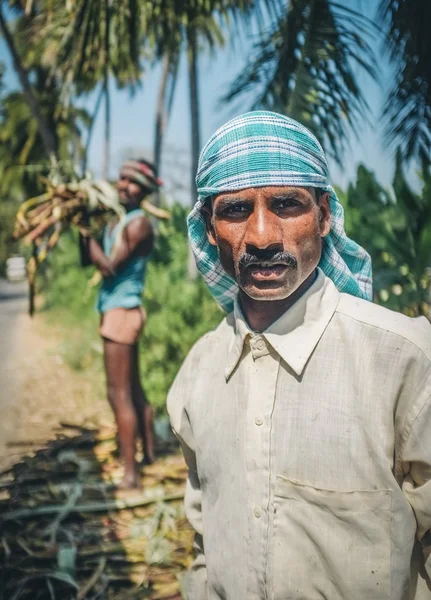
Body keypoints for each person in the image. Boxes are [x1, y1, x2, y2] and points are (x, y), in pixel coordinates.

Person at [167, 112, 431, 599]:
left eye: (288, 205)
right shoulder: (198, 374)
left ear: (325, 215)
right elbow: (206, 535)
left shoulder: (405, 361)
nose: (263, 236)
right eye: (235, 210)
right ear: (208, 228)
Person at [79, 159, 161, 489]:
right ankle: (149, 456)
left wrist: (88, 232)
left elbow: (109, 267)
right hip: (120, 310)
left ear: (145, 191)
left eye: (132, 182)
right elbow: (88, 260)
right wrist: (82, 230)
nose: (123, 185)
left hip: (122, 313)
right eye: (121, 178)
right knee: (135, 389)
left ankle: (131, 475)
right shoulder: (119, 221)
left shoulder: (139, 224)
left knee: (118, 394)